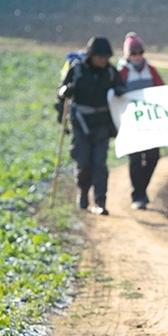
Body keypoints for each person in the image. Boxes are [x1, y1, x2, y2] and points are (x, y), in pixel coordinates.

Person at [57, 36, 126, 215]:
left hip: (102, 125)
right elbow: (61, 94)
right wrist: (65, 91)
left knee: (99, 163)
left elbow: (122, 88)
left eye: (107, 57)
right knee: (83, 162)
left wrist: (120, 91)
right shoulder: (77, 70)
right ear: (92, 55)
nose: (105, 60)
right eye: (101, 57)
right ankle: (83, 192)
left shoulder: (111, 72)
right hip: (80, 124)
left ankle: (100, 201)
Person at [118, 32, 165, 210]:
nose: (137, 56)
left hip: (151, 123)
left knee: (153, 156)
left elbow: (163, 90)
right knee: (136, 159)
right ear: (127, 55)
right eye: (133, 53)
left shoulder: (151, 70)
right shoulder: (121, 72)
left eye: (140, 52)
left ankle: (141, 190)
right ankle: (138, 195)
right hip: (131, 125)